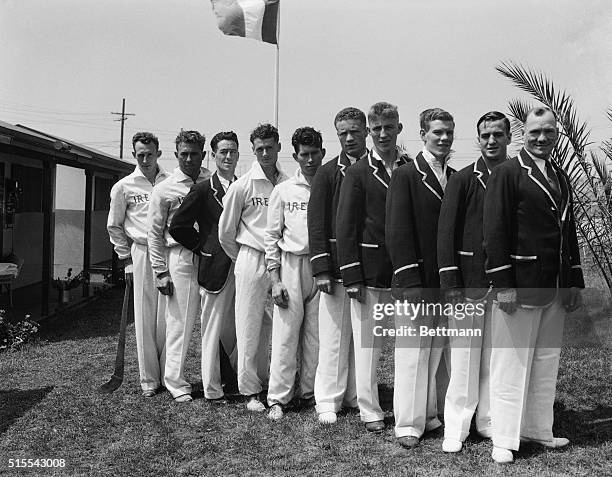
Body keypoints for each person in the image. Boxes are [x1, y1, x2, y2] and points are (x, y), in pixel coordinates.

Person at [483, 106, 583, 463]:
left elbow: (567, 232)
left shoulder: (559, 174)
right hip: (520, 284)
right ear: (522, 134)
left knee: (545, 360)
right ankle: (504, 438)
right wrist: (503, 284)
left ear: (556, 135)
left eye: (549, 132)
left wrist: (573, 280)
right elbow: (494, 232)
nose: (542, 139)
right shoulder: (508, 173)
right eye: (535, 132)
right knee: (510, 363)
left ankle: (540, 429)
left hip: (554, 284)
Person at [436, 111, 511, 453]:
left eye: (498, 134)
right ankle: (457, 426)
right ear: (478, 140)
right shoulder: (463, 179)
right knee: (464, 357)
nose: (492, 141)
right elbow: (446, 233)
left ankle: (489, 420)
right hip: (468, 281)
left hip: (507, 284)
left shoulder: (516, 178)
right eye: (485, 136)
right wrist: (451, 282)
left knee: (496, 357)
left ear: (509, 138)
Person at [336, 102, 410, 433]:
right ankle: (370, 410)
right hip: (369, 273)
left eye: (389, 127)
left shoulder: (411, 167)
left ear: (399, 129)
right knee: (369, 346)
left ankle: (411, 407)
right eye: (376, 128)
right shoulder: (357, 173)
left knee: (410, 345)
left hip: (407, 272)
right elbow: (345, 228)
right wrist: (351, 275)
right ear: (369, 131)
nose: (383, 133)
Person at [386, 108, 456, 449]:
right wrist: (409, 282)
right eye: (437, 132)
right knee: (413, 353)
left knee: (436, 351)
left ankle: (429, 413)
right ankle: (408, 424)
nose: (443, 138)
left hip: (442, 282)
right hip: (416, 280)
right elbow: (397, 232)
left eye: (448, 132)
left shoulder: (454, 175)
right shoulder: (406, 175)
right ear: (423, 134)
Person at [218, 123, 288, 412]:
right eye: (259, 149)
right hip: (250, 257)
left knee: (275, 325)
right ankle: (249, 391)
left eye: (269, 147)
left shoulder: (287, 181)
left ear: (279, 147)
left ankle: (273, 381)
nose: (265, 153)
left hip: (281, 261)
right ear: (253, 150)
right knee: (248, 324)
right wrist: (243, 259)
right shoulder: (242, 185)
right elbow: (225, 232)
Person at [169, 131, 241, 403]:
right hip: (214, 266)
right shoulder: (201, 188)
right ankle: (213, 389)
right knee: (211, 328)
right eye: (222, 151)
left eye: (232, 151)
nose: (228, 156)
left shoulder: (243, 185)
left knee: (239, 327)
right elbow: (178, 226)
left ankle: (237, 377)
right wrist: (203, 247)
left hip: (242, 265)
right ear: (213, 155)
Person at [309, 107, 367, 424]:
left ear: (366, 132)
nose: (348, 138)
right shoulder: (327, 172)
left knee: (364, 337)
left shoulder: (380, 170)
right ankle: (327, 400)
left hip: (369, 267)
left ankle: (357, 395)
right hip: (334, 268)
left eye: (354, 131)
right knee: (333, 337)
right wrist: (320, 269)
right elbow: (316, 224)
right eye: (343, 132)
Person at [265, 127, 324, 420]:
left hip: (321, 267)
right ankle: (278, 396)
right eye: (304, 155)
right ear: (295, 156)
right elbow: (271, 237)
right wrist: (274, 280)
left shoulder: (330, 185)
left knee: (316, 335)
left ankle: (310, 392)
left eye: (315, 154)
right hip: (291, 265)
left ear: (323, 153)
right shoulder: (283, 190)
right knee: (286, 334)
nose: (310, 160)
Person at [147, 130, 211, 403]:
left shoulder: (212, 181)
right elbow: (153, 232)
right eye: (183, 154)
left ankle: (220, 376)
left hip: (210, 257)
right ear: (175, 155)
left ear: (203, 155)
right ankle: (174, 380)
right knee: (180, 321)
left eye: (194, 154)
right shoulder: (165, 188)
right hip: (180, 257)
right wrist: (160, 271)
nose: (188, 159)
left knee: (215, 319)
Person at [107, 132, 169, 397]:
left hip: (168, 252)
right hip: (141, 252)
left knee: (168, 317)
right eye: (140, 155)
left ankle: (169, 375)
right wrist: (126, 259)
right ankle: (149, 380)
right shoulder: (124, 186)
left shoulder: (171, 181)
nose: (145, 159)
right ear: (134, 155)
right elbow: (114, 225)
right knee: (144, 316)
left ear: (158, 154)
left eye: (150, 154)